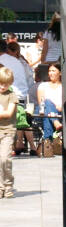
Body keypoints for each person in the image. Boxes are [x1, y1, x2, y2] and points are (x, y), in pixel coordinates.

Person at [0, 67, 17, 197]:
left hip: (7, 131)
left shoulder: (12, 95)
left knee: (5, 159)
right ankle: (1, 187)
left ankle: (8, 184)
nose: (2, 86)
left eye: (5, 84)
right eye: (0, 83)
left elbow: (8, 113)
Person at [37, 64, 62, 143]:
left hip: (58, 113)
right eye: (49, 71)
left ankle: (48, 143)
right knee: (47, 102)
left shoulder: (64, 87)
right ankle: (55, 122)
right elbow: (41, 104)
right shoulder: (43, 85)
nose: (51, 73)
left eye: (53, 71)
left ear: (60, 73)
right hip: (42, 112)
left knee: (48, 118)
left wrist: (60, 107)